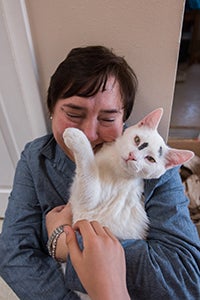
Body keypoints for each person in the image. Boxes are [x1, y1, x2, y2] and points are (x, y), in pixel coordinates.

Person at [0, 45, 199, 300]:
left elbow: (185, 277)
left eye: (107, 119)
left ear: (124, 119)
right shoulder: (35, 158)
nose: (89, 133)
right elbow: (12, 254)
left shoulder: (153, 164)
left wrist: (65, 246)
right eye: (73, 113)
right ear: (51, 110)